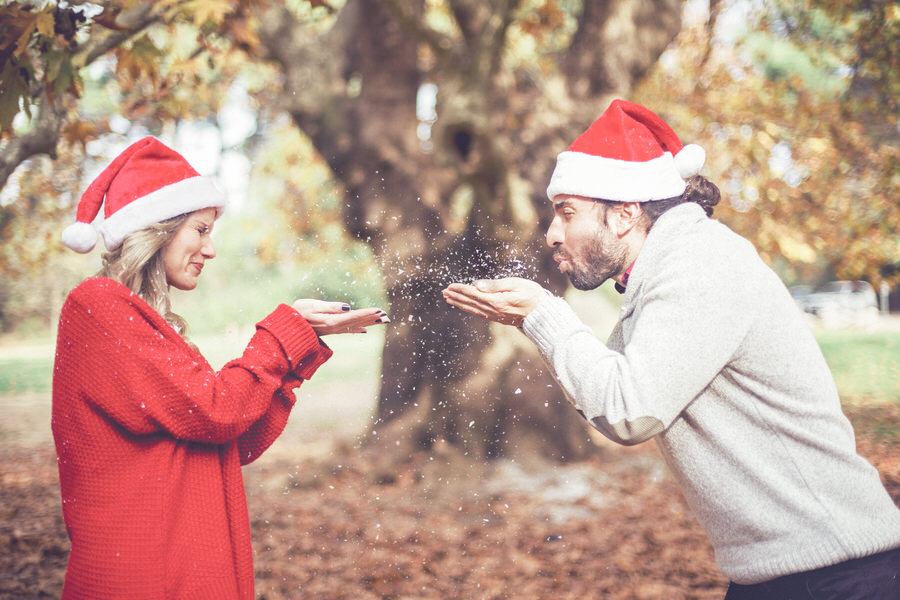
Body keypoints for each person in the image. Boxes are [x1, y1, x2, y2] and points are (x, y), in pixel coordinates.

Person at [443, 99, 900, 598]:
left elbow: (628, 411)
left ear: (623, 215)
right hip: (782, 571)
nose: (552, 234)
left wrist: (542, 313)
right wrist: (534, 319)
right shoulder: (661, 275)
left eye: (566, 213)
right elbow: (606, 388)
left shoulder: (701, 266)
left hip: (840, 569)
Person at [52, 136, 389, 600]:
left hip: (179, 564)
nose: (210, 249)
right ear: (157, 226)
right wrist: (280, 335)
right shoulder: (97, 306)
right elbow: (215, 411)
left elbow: (235, 440)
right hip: (140, 573)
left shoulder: (146, 321)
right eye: (201, 229)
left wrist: (299, 347)